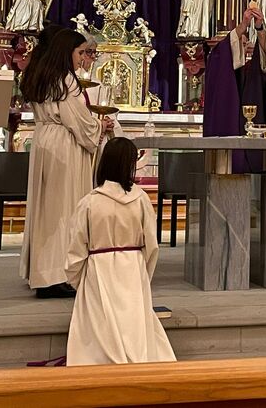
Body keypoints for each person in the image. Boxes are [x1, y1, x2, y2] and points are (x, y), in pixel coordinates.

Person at [20, 29, 114, 297]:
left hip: (44, 140)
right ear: (66, 51)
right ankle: (59, 275)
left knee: (46, 210)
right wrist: (100, 126)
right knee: (64, 208)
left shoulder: (41, 75)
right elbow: (77, 119)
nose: (82, 58)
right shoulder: (65, 79)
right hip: (64, 144)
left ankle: (41, 271)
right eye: (79, 52)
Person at [65, 137, 176, 365]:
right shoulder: (141, 199)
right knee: (133, 324)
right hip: (133, 267)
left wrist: (78, 280)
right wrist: (142, 273)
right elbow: (152, 245)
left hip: (99, 270)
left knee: (101, 325)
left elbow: (76, 247)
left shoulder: (89, 202)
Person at [203, 4, 266, 173]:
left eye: (245, 44)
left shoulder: (254, 71)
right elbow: (220, 53)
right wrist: (243, 26)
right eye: (239, 44)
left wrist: (259, 28)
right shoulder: (222, 67)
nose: (243, 48)